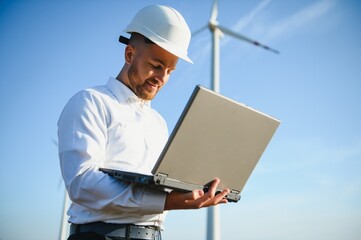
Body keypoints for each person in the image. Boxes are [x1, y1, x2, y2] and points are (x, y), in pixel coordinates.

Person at [58, 5, 230, 240]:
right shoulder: (91, 102)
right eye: (156, 66)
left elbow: (158, 187)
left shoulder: (158, 123)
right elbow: (83, 183)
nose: (162, 78)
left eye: (170, 70)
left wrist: (194, 187)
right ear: (129, 55)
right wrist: (166, 201)